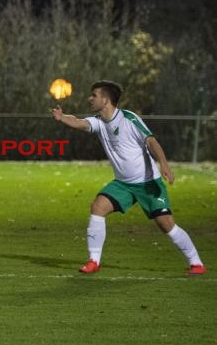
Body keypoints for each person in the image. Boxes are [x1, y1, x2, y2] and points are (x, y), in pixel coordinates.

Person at [52, 80, 206, 275]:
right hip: (123, 185)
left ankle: (196, 263)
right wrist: (62, 117)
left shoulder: (129, 119)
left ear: (106, 100)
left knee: (166, 224)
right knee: (98, 206)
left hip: (148, 183)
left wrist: (164, 165)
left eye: (94, 95)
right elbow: (79, 123)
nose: (90, 99)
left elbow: (151, 141)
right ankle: (94, 261)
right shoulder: (98, 121)